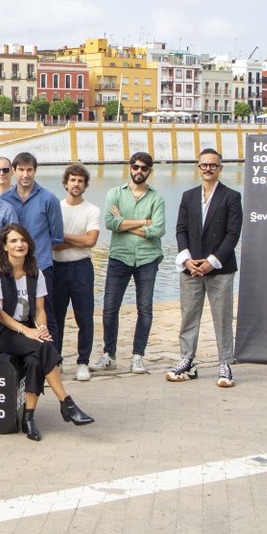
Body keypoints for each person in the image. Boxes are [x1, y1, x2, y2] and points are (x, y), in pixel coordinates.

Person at [0, 224, 94, 441]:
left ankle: (28, 418)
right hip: (3, 332)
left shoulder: (35, 273)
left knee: (36, 359)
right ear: (5, 246)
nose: (19, 245)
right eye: (14, 241)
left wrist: (42, 329)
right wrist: (27, 331)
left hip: (28, 331)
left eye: (23, 240)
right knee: (43, 347)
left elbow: (39, 311)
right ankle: (66, 402)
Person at [170, 148, 242, 388]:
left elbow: (233, 234)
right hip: (191, 267)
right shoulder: (188, 196)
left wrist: (212, 261)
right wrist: (186, 259)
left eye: (213, 165)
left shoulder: (231, 197)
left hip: (220, 268)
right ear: (198, 168)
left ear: (220, 168)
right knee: (189, 315)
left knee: (222, 317)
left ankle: (225, 363)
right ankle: (187, 361)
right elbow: (180, 230)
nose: (208, 168)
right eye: (204, 165)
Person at [91, 152, 165, 375]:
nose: (139, 171)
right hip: (120, 256)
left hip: (148, 258)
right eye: (135, 167)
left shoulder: (157, 198)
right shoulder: (114, 193)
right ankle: (109, 355)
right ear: (129, 168)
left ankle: (137, 356)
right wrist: (143, 222)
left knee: (145, 309)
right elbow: (110, 223)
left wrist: (124, 223)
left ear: (150, 171)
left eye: (144, 168)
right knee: (110, 307)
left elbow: (158, 230)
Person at [0, 152, 64, 331]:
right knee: (15, 312)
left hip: (41, 266)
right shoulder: (4, 199)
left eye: (29, 170)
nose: (25, 174)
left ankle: (51, 349)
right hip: (12, 268)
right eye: (21, 170)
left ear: (35, 171)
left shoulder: (49, 199)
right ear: (13, 171)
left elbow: (57, 236)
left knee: (46, 315)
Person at [51, 164, 101, 382]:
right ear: (65, 183)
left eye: (80, 181)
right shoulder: (56, 207)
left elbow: (91, 241)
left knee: (84, 317)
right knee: (56, 318)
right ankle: (56, 360)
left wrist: (64, 237)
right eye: (73, 180)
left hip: (82, 267)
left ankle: (83, 362)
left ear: (85, 185)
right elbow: (52, 243)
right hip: (57, 267)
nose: (76, 184)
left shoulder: (92, 210)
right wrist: (78, 240)